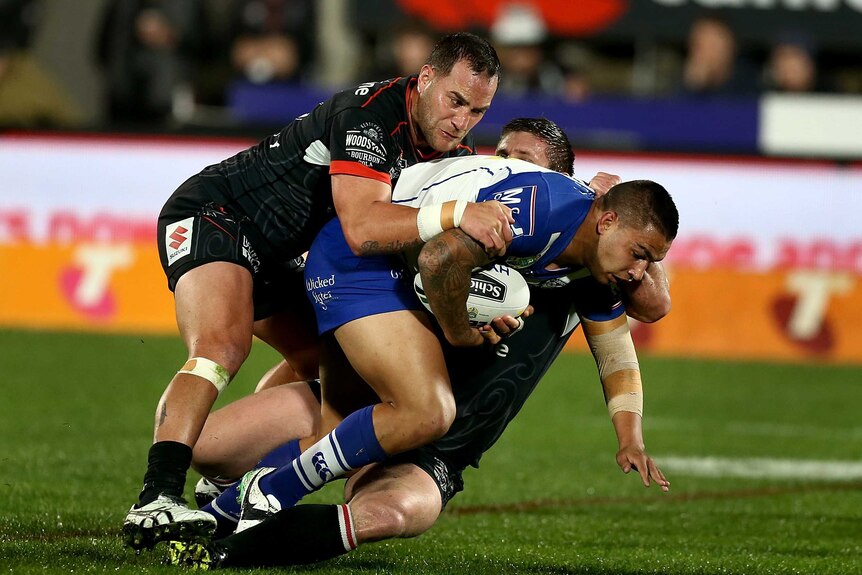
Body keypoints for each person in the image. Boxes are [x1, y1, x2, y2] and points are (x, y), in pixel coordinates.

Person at [168, 118, 676, 569]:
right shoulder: (471, 218)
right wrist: (454, 324)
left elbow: (642, 315)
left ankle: (235, 539)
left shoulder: (588, 263)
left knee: (391, 510)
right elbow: (430, 258)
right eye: (498, 159)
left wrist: (629, 435)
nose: (503, 173)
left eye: (523, 163)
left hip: (438, 449)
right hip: (382, 394)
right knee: (210, 450)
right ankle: (238, 492)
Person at [122, 32, 513, 552]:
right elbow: (362, 226)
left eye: (476, 111)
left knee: (328, 369)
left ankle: (228, 485)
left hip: (287, 257)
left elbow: (417, 245)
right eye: (455, 100)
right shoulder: (370, 115)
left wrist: (470, 299)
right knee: (221, 346)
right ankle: (157, 495)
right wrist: (459, 213)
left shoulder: (452, 153)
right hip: (219, 215)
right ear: (424, 80)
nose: (461, 121)